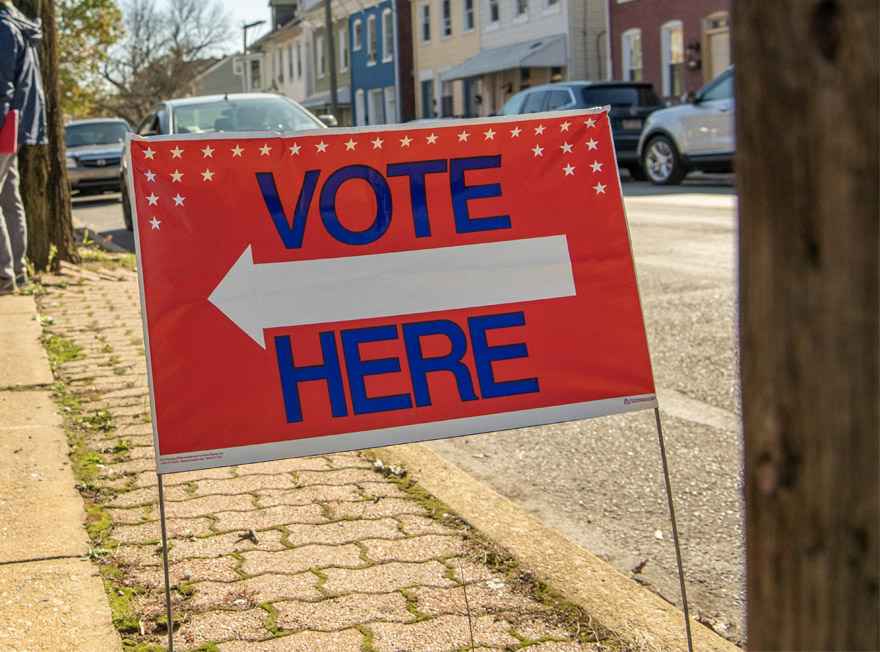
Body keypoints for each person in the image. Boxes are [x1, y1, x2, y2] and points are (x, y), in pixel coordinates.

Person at [0, 0, 46, 295]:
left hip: (4, 122)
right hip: (15, 125)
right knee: (8, 196)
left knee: (8, 197)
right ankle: (17, 270)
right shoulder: (18, 24)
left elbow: (2, 86)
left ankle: (4, 275)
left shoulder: (3, 28)